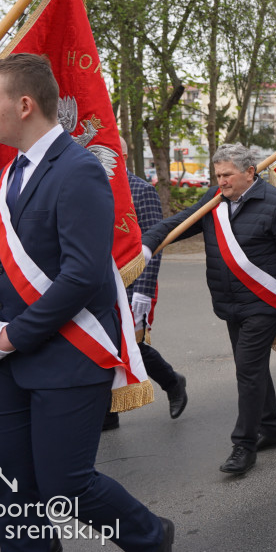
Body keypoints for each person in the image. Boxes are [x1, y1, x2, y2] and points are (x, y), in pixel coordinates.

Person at [0, 53, 173, 552]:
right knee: (11, 486)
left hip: (68, 355)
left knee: (66, 487)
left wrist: (14, 333)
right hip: (8, 362)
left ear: (25, 104)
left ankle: (151, 536)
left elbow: (81, 273)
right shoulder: (8, 173)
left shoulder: (79, 170)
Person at [143, 143, 276, 475]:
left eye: (227, 175)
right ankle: (272, 428)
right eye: (217, 175)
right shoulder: (214, 201)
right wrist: (148, 245)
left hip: (264, 303)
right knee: (253, 368)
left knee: (247, 371)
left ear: (250, 172)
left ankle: (244, 445)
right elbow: (178, 223)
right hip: (230, 304)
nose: (221, 181)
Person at [102, 137, 188, 432]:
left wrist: (144, 290)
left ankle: (172, 381)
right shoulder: (93, 186)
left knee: (131, 343)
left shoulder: (141, 190)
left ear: (122, 154)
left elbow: (154, 243)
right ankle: (108, 410)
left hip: (134, 283)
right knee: (104, 342)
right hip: (101, 281)